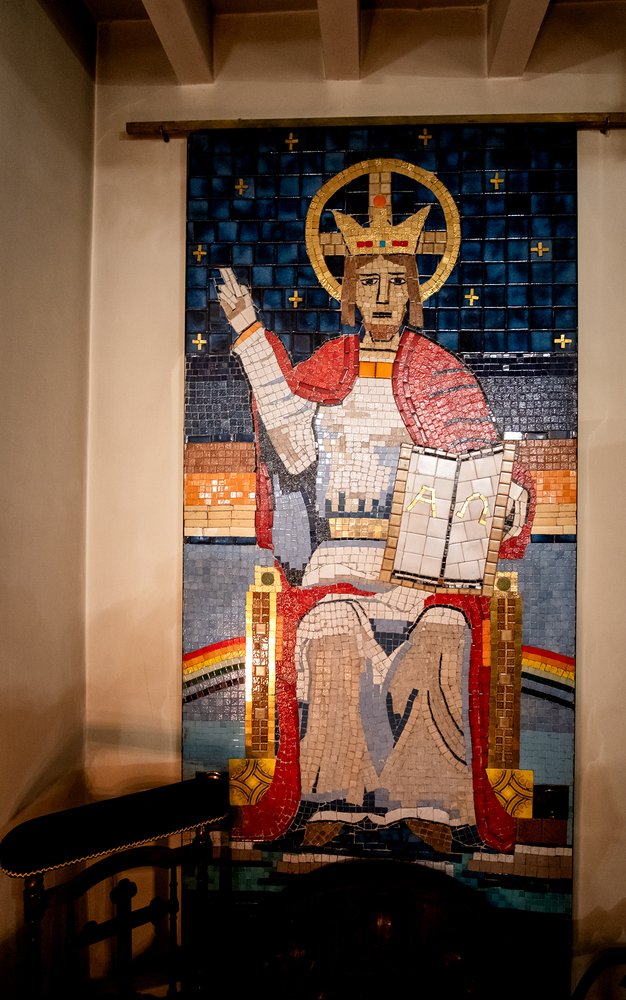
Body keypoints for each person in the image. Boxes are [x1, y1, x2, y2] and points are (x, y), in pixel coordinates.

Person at [215, 204, 531, 851]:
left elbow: (490, 465)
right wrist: (248, 331)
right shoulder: (329, 366)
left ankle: (430, 801)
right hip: (339, 559)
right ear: (351, 293)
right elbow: (289, 439)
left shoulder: (440, 374)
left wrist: (505, 504)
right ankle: (334, 795)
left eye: (394, 281)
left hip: (424, 567)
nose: (382, 295)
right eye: (369, 281)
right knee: (333, 637)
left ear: (413, 291)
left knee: (443, 635)